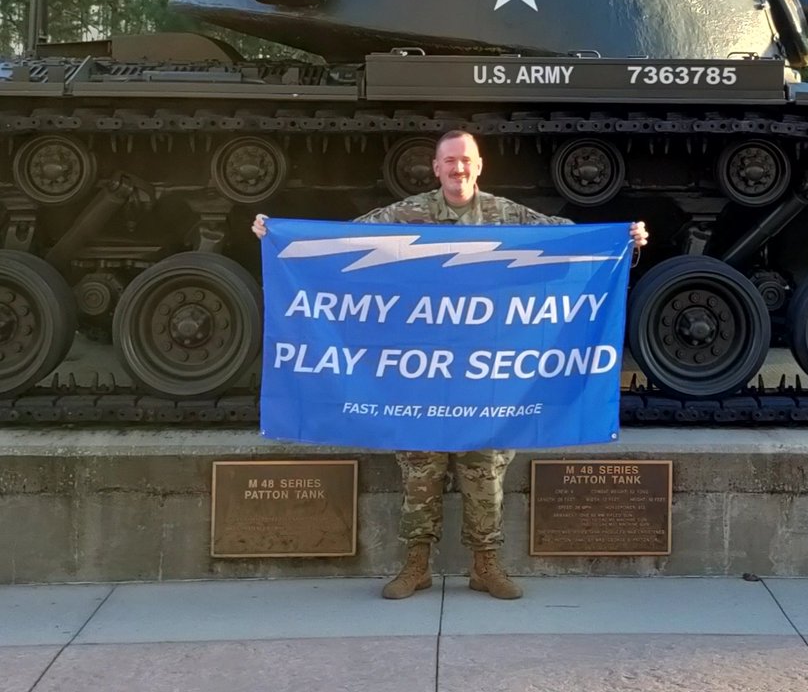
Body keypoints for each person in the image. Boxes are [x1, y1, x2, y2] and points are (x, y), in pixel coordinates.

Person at [252, 129, 648, 601]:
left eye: (466, 161)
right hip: (421, 375)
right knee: (420, 471)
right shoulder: (408, 214)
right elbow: (345, 242)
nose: (458, 169)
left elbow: (569, 242)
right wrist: (276, 235)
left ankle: (486, 566)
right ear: (435, 168)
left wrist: (627, 240)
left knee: (485, 475)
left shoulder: (506, 216)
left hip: (485, 375)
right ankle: (415, 565)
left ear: (479, 167)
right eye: (449, 162)